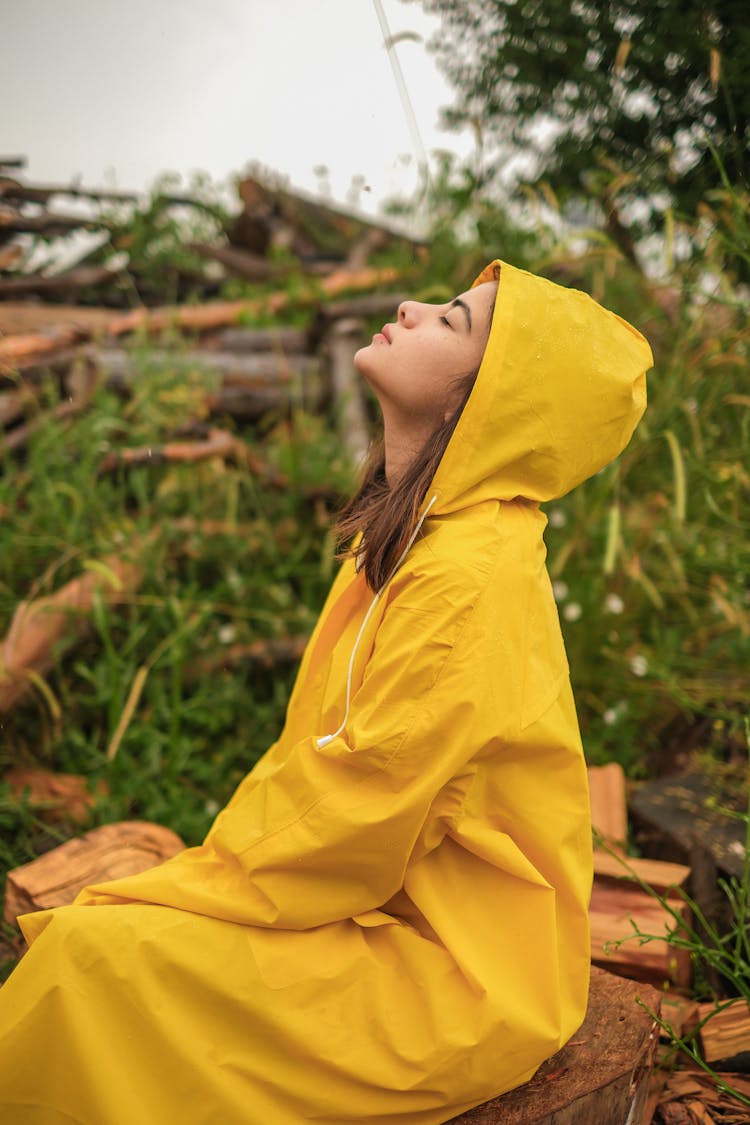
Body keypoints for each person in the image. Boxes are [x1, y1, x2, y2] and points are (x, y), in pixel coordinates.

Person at [0, 259, 652, 1124]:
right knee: (102, 948)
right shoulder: (428, 537)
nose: (410, 307)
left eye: (450, 322)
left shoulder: (467, 578)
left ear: (476, 401)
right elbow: (325, 771)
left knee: (94, 960)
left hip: (457, 971)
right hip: (386, 910)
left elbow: (355, 816)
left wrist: (198, 881)